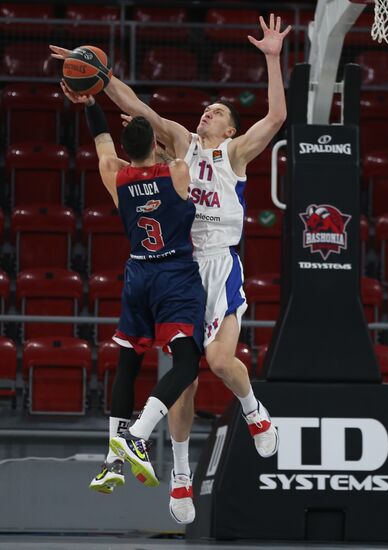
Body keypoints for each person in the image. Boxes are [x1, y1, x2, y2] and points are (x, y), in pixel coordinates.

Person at [51, 12, 290, 524]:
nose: (207, 113)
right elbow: (135, 106)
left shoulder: (236, 154)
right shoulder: (180, 141)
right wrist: (95, 73)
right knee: (184, 379)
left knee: (221, 363)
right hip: (180, 266)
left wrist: (272, 58)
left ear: (230, 126)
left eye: (217, 110)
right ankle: (180, 475)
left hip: (219, 262)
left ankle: (254, 413)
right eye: (206, 108)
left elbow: (274, 119)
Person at [61, 82, 206, 522]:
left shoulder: (115, 176)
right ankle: (138, 436)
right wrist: (158, 143)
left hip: (137, 274)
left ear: (127, 150)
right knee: (185, 363)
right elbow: (174, 147)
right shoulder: (177, 171)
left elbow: (104, 148)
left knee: (127, 365)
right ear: (156, 149)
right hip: (174, 275)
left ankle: (113, 459)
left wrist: (90, 108)